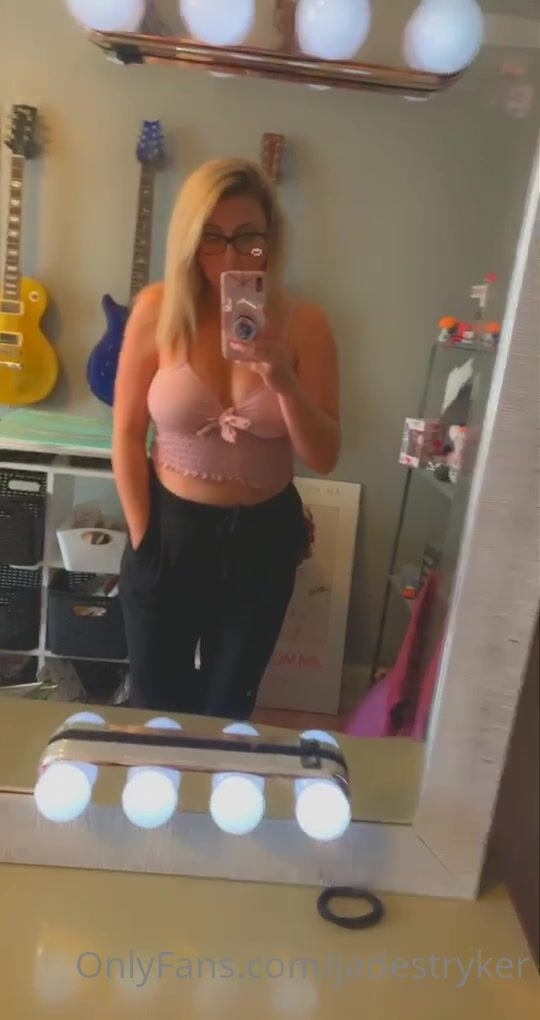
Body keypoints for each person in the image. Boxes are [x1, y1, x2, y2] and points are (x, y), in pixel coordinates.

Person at [112, 157, 340, 719]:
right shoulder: (156, 311)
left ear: (270, 239)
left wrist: (283, 381)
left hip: (262, 539)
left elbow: (324, 456)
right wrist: (144, 536)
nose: (231, 257)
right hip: (170, 531)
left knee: (227, 709)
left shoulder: (305, 324)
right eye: (212, 237)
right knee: (155, 708)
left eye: (247, 238)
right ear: (189, 240)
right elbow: (126, 433)